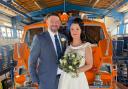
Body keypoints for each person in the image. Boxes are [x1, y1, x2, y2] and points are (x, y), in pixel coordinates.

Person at [28, 13, 67, 89]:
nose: (55, 24)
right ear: (47, 22)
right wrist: (34, 78)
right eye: (52, 21)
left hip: (63, 78)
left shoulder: (64, 37)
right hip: (46, 80)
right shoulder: (39, 38)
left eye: (57, 21)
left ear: (59, 23)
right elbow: (32, 61)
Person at [58, 18, 93, 89]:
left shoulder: (86, 46)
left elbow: (89, 64)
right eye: (72, 29)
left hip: (78, 79)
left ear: (81, 30)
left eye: (77, 29)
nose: (75, 31)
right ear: (69, 31)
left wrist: (76, 71)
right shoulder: (68, 46)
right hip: (65, 78)